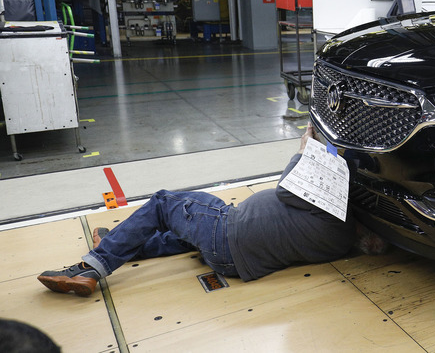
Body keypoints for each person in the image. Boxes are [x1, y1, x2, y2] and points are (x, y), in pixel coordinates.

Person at [37, 126, 383, 297]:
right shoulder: (338, 242)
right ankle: (122, 241)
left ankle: (89, 269)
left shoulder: (333, 214)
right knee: (192, 228)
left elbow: (288, 188)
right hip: (234, 260)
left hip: (226, 234)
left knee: (164, 203)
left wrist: (305, 151)